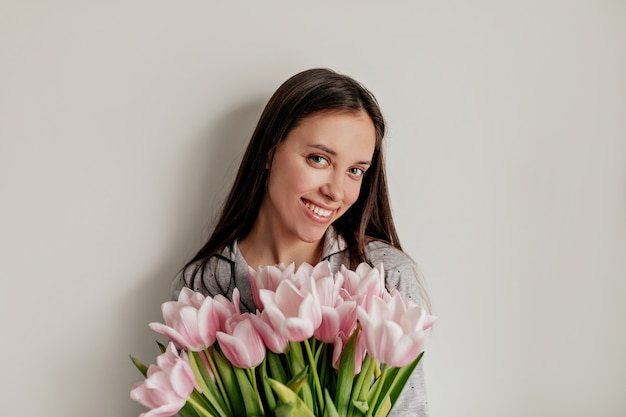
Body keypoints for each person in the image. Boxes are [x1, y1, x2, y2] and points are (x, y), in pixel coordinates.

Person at [171, 68, 431, 416]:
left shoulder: (383, 275)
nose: (336, 191)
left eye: (356, 170)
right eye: (319, 159)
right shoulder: (202, 287)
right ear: (269, 151)